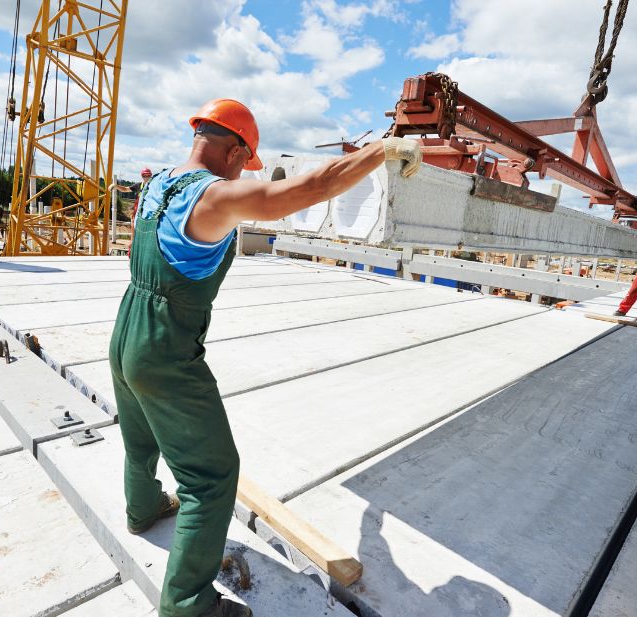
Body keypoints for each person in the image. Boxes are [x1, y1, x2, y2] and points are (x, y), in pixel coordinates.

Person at [108, 97, 422, 617]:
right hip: (166, 347)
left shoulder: (155, 185)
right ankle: (187, 605)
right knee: (210, 477)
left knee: (140, 435)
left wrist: (373, 522)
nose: (244, 171)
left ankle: (142, 509)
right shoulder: (216, 199)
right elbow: (310, 189)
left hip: (124, 332)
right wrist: (380, 151)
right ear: (234, 152)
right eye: (245, 161)